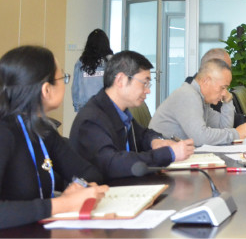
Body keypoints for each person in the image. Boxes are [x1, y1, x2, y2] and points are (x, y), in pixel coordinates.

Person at [0, 46, 108, 236]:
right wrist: (63, 204)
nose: (65, 84)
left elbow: (90, 172)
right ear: (46, 89)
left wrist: (80, 187)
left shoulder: (42, 130)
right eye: (63, 78)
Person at [70, 50, 194, 180]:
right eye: (144, 83)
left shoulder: (120, 112)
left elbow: (143, 134)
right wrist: (168, 154)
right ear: (120, 80)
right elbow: (113, 164)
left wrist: (155, 141)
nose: (148, 90)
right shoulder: (92, 120)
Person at [151, 57, 246, 143]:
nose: (224, 93)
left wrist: (228, 101)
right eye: (222, 87)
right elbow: (200, 138)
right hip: (163, 162)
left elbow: (224, 127)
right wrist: (236, 134)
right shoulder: (188, 95)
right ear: (206, 81)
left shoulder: (201, 100)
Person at [186, 47, 246, 128]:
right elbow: (207, 133)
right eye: (226, 68)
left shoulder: (210, 88)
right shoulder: (193, 93)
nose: (229, 72)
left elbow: (225, 123)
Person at [72, 29, 113, 112]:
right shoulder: (112, 61)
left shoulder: (81, 62)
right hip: (107, 107)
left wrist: (77, 106)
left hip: (86, 108)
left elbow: (75, 87)